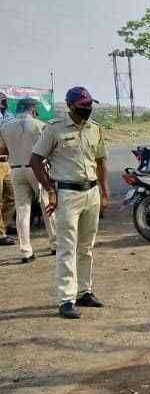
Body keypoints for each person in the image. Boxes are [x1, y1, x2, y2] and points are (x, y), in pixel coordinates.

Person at [29, 87, 109, 319]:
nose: (87, 109)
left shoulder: (95, 129)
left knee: (86, 247)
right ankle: (66, 299)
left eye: (89, 105)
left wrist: (105, 194)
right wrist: (49, 191)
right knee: (66, 248)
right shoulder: (54, 129)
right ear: (70, 106)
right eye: (82, 106)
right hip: (67, 195)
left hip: (91, 193)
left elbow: (102, 162)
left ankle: (84, 291)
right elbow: (35, 161)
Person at [0, 98, 56, 263]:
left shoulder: (5, 127)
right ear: (32, 109)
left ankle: (25, 251)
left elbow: (2, 149)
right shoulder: (40, 126)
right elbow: (48, 150)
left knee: (22, 210)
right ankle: (55, 243)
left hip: (16, 169)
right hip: (37, 169)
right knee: (47, 204)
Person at [0, 91, 14, 246]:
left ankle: (4, 225)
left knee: (11, 197)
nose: (2, 102)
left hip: (7, 162)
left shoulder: (10, 115)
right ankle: (0, 234)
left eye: (3, 100)